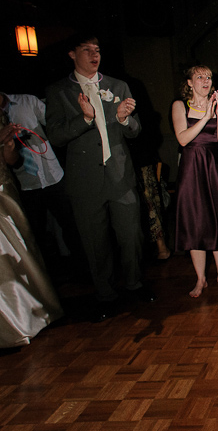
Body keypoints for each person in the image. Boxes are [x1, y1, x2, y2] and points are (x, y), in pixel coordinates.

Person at [46, 34, 154, 322]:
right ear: (72, 54)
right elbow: (55, 135)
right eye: (86, 50)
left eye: (97, 50)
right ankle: (105, 294)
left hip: (120, 175)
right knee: (95, 242)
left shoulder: (117, 86)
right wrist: (82, 119)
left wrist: (123, 119)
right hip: (85, 180)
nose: (94, 55)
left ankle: (134, 284)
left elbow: (136, 129)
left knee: (132, 235)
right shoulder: (59, 92)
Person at [172, 66, 218, 297]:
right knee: (196, 222)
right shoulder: (180, 106)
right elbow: (183, 138)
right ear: (190, 82)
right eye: (199, 76)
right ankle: (201, 279)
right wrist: (205, 118)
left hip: (214, 167)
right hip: (191, 167)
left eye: (208, 77)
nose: (205, 80)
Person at [0, 92, 85, 272]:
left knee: (71, 225)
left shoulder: (27, 101)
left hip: (53, 176)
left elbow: (57, 127)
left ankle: (84, 270)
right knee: (34, 234)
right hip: (24, 184)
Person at [0, 113, 63, 347]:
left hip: (5, 189)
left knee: (21, 251)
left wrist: (8, 145)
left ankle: (27, 316)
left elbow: (13, 160)